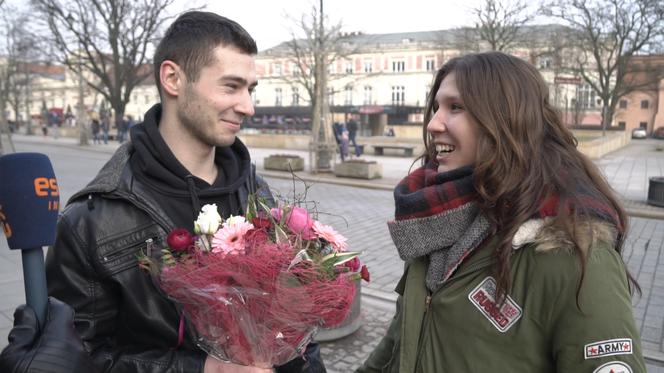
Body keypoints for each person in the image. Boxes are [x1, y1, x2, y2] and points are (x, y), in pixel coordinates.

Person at [40, 11, 324, 373]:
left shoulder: (259, 195)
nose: (248, 107)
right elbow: (76, 360)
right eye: (231, 86)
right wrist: (201, 369)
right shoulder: (91, 223)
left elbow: (299, 335)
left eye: (250, 89)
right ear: (173, 78)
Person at [356, 52, 646, 372]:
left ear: (507, 119)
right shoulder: (434, 224)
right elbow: (400, 338)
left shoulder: (575, 253)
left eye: (456, 107)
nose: (433, 123)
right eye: (436, 106)